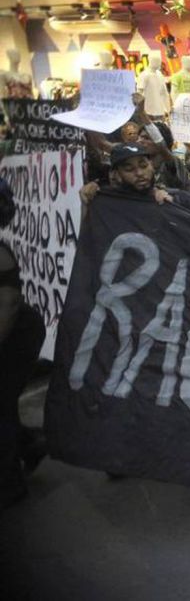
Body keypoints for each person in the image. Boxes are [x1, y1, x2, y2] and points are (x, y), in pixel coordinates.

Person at [0, 177, 46, 509]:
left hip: (14, 336)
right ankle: (30, 444)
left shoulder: (1, 254)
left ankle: (9, 485)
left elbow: (9, 304)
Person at [80, 143, 190, 219]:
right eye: (129, 169)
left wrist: (175, 208)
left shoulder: (181, 199)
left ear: (152, 165)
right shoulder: (107, 205)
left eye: (143, 166)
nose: (139, 173)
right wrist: (87, 204)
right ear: (115, 174)